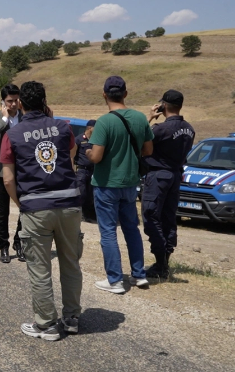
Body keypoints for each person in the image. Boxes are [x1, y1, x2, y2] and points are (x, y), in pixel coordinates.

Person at [1, 81, 83, 341]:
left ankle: (46, 325)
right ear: (46, 101)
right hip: (69, 204)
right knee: (70, 262)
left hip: (36, 206)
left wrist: (21, 203)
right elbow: (70, 155)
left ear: (21, 104)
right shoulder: (62, 127)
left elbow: (7, 179)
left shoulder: (12, 135)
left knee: (39, 267)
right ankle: (71, 318)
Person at [86, 76, 154, 294]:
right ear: (125, 93)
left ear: (104, 94)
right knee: (131, 229)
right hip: (130, 183)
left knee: (108, 232)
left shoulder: (104, 122)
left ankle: (114, 280)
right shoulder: (140, 118)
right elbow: (148, 150)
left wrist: (87, 150)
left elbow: (96, 157)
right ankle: (139, 274)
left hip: (106, 184)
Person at [142, 90, 195, 278]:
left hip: (158, 176)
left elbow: (139, 142)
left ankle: (160, 263)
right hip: (175, 176)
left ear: (163, 105)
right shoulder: (189, 129)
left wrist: (149, 118)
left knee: (150, 214)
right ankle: (165, 259)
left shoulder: (160, 129)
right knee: (168, 218)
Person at [0, 84, 24, 263]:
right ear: (3, 101)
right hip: (0, 171)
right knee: (3, 211)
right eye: (10, 101)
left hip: (22, 170)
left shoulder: (26, 118)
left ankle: (19, 242)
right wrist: (4, 119)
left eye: (16, 100)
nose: (14, 104)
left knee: (25, 208)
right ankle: (4, 246)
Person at [74, 120, 96, 222]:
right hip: (81, 170)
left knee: (90, 194)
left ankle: (89, 215)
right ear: (90, 128)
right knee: (81, 193)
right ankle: (79, 214)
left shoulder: (95, 140)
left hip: (92, 171)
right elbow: (72, 155)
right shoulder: (78, 139)